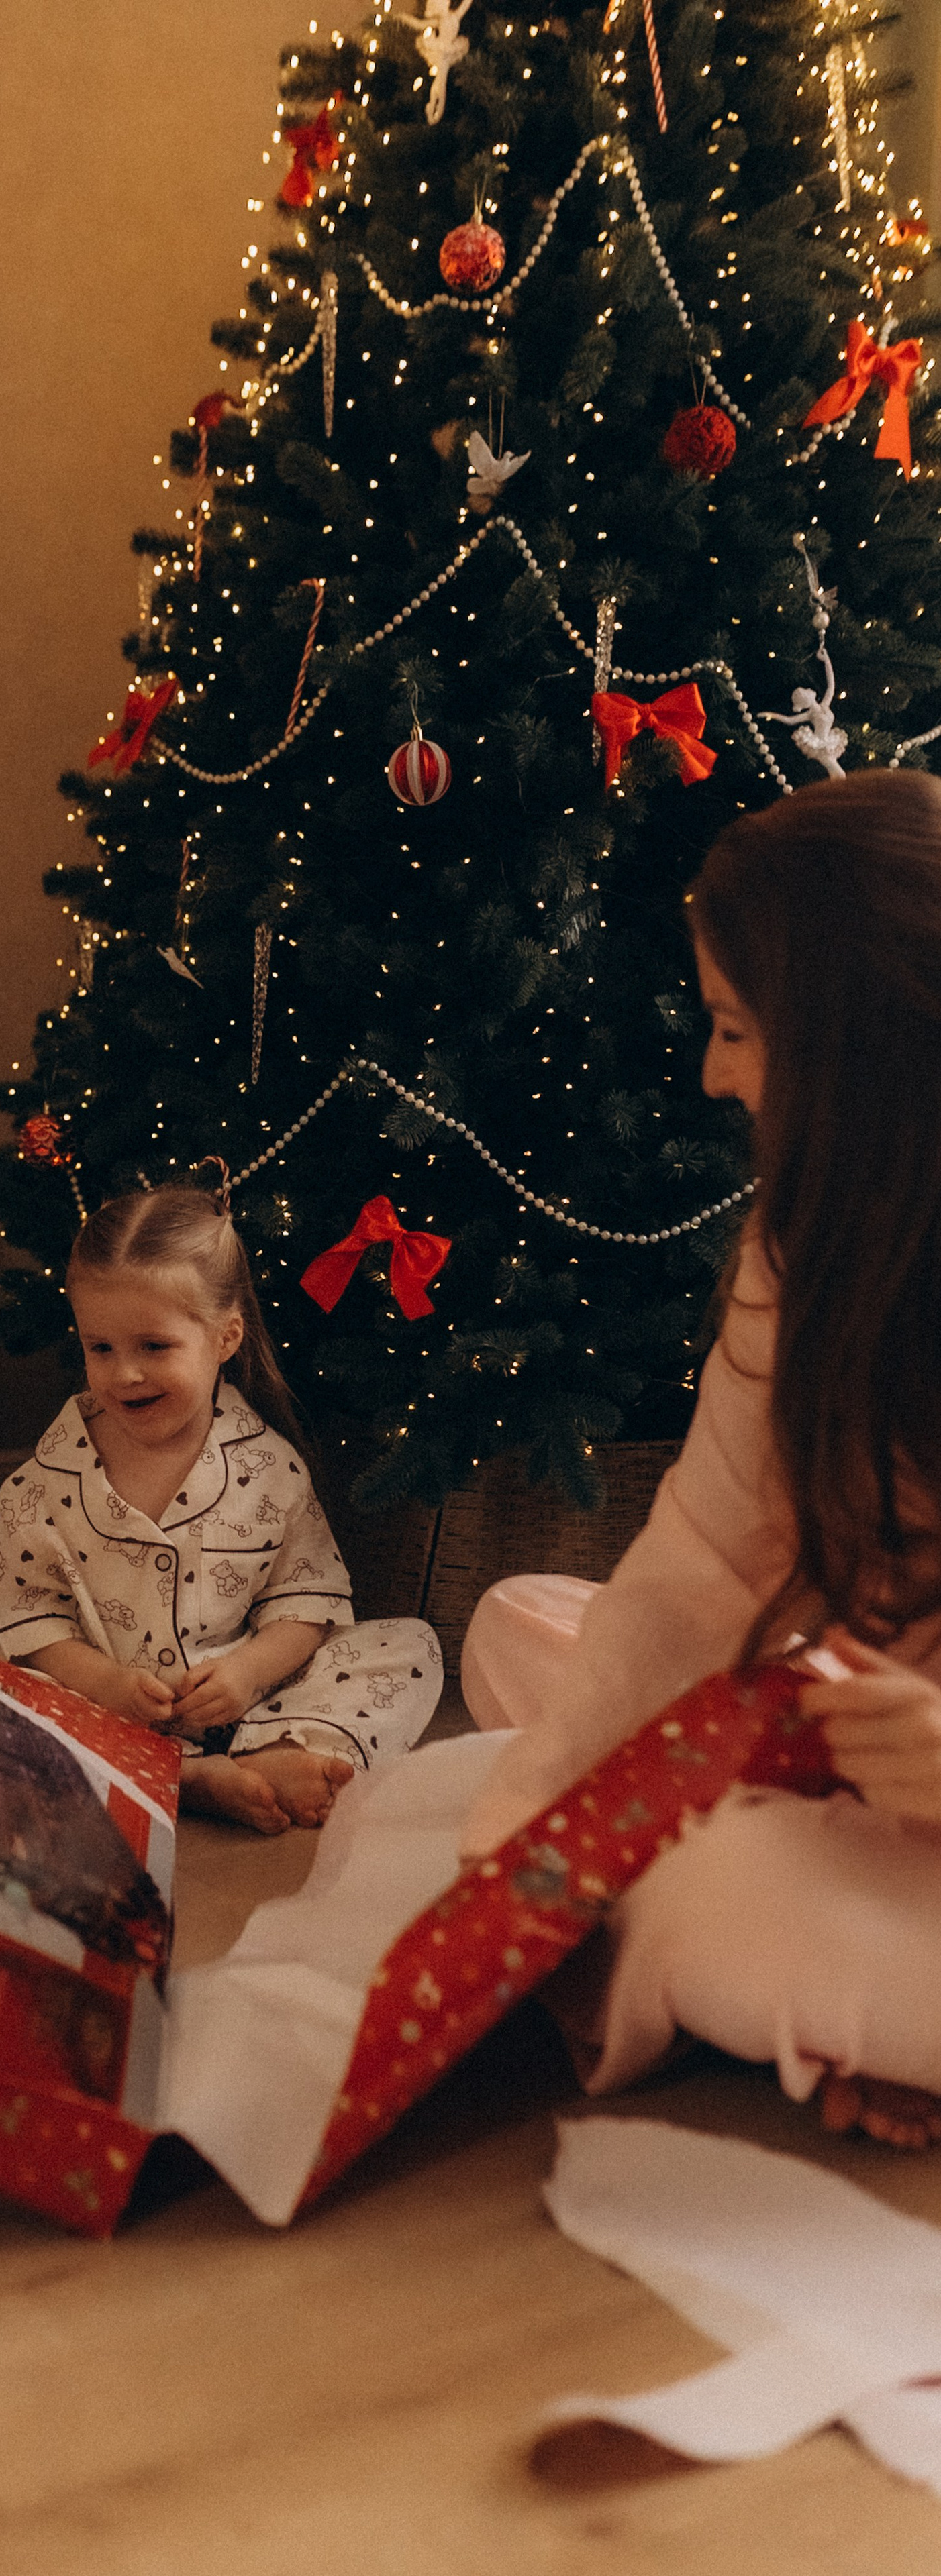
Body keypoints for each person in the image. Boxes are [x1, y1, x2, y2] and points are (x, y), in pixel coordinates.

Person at [456, 770, 941, 2148]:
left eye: (733, 1028)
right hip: (857, 1727)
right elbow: (700, 1561)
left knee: (733, 1903)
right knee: (519, 1632)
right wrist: (515, 1850)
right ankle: (771, 1962)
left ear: (850, 1048)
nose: (711, 1072)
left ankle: (787, 1966)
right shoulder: (804, 1239)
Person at [0, 1185, 442, 1832]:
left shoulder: (270, 1469)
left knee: (408, 1647)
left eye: (154, 1347)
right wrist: (109, 1686)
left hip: (248, 1706)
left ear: (225, 1338)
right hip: (102, 1707)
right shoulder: (42, 1482)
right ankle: (186, 1778)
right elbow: (25, 1615)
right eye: (101, 1348)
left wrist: (250, 1674)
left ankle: (275, 1752)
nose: (125, 1375)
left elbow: (308, 1600)